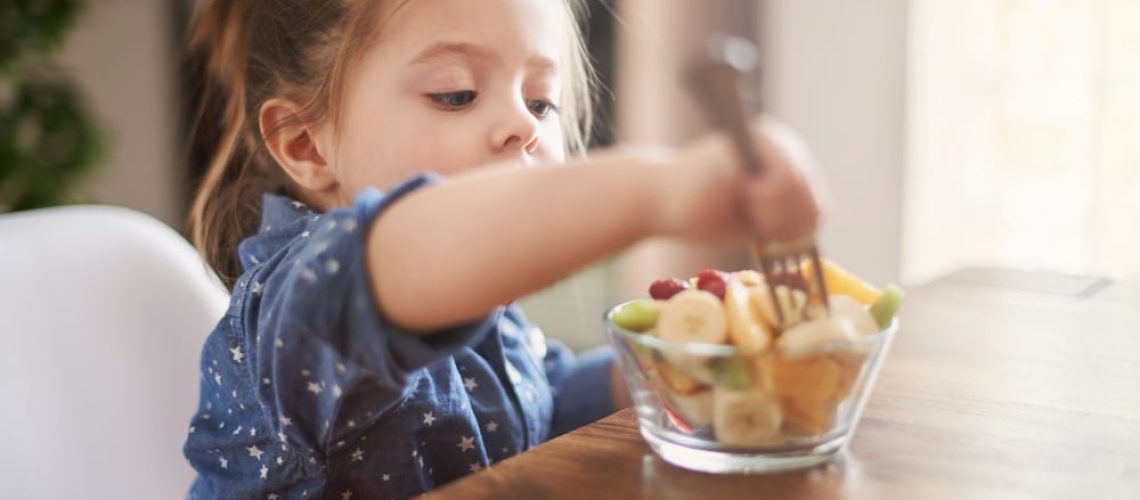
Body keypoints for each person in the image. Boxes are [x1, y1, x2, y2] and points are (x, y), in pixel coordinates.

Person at [182, 0, 824, 497]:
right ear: (305, 144)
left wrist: (661, 368)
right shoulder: (299, 308)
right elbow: (417, 247)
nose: (523, 123)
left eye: (541, 101)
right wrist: (661, 189)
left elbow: (533, 405)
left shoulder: (483, 312)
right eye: (456, 94)